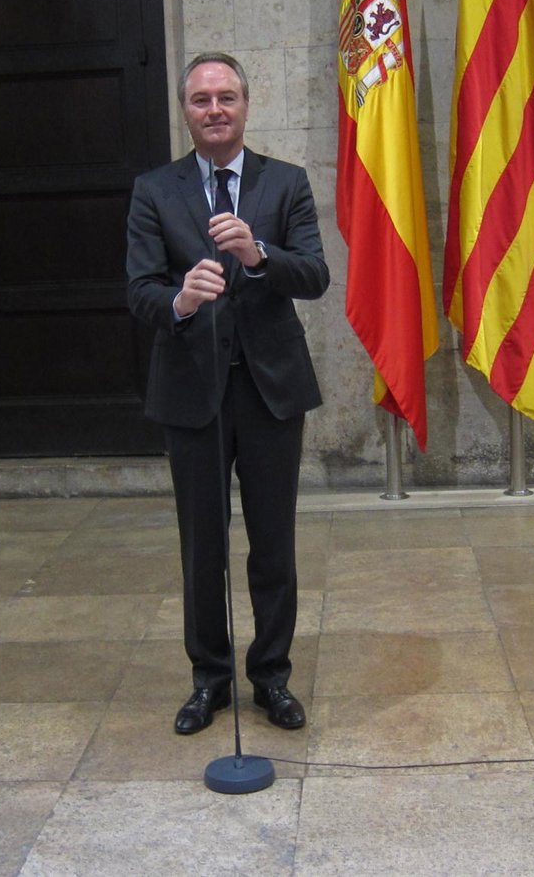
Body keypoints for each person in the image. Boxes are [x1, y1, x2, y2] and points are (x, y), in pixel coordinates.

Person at [125, 52, 330, 735]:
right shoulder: (155, 190)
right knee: (201, 548)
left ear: (245, 104)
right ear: (185, 110)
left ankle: (271, 677)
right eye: (201, 99)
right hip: (192, 393)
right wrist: (181, 300)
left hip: (271, 391)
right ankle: (208, 680)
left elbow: (315, 276)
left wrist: (257, 255)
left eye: (226, 97)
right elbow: (140, 289)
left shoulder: (286, 182)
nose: (215, 109)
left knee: (273, 545)